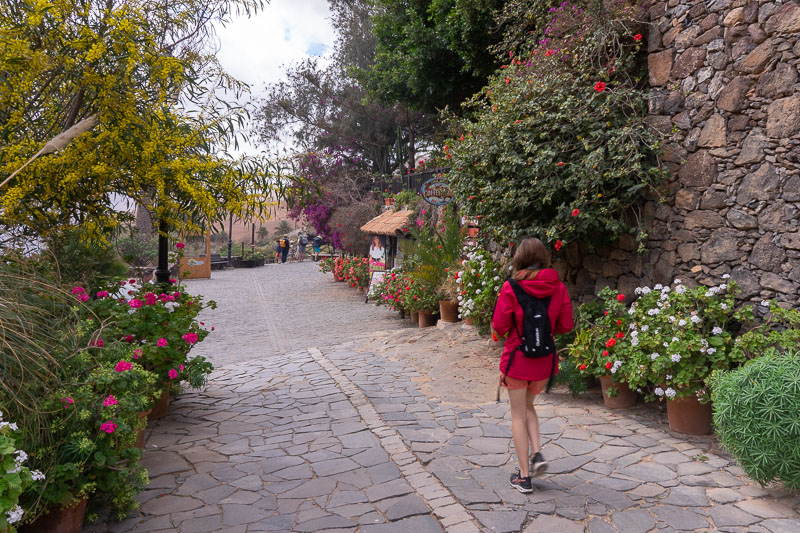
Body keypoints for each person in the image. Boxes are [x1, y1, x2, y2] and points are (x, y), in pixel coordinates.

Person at [492, 237, 573, 494]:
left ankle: (524, 477)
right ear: (544, 257)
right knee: (529, 406)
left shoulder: (511, 287)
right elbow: (565, 326)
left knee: (517, 413)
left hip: (517, 360)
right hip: (543, 362)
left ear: (520, 258)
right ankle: (537, 453)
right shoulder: (558, 287)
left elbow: (500, 325)